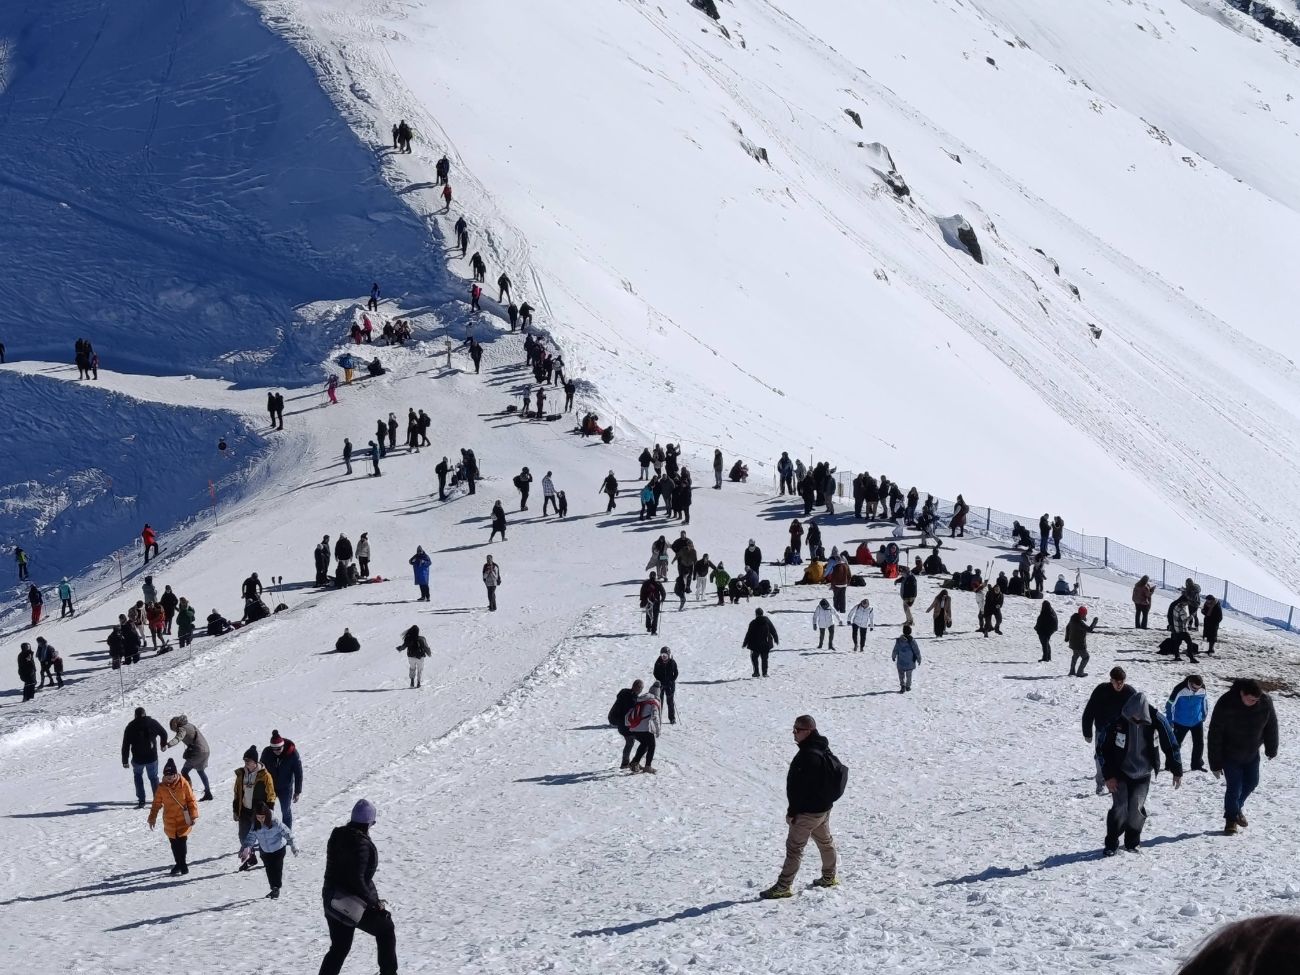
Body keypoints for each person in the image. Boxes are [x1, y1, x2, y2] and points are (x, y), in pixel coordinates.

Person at [759, 715, 841, 899]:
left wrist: (793, 812)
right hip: (823, 809)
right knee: (826, 843)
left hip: (808, 813)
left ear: (809, 731)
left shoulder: (809, 755)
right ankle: (829, 877)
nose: (794, 734)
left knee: (795, 849)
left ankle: (783, 886)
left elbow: (800, 789)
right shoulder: (821, 747)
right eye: (793, 729)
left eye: (797, 730)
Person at [319, 799, 398, 975]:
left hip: (331, 899)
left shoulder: (337, 835)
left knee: (339, 948)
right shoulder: (361, 843)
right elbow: (356, 879)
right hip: (349, 903)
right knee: (386, 929)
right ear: (368, 823)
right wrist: (374, 903)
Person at [1099, 691, 1182, 855]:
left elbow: (1170, 742)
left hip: (1143, 772)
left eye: (1140, 718)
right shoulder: (1118, 719)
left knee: (1136, 809)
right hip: (1120, 771)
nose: (1136, 721)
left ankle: (1132, 842)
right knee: (1120, 808)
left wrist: (1176, 768)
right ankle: (1111, 843)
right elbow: (1103, 748)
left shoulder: (1156, 718)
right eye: (1133, 718)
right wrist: (1108, 776)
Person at [1208, 678, 1279, 835]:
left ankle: (1236, 808)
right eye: (1251, 699)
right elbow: (1215, 733)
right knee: (1234, 787)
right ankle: (1231, 820)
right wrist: (1215, 762)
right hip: (1230, 754)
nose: (1254, 702)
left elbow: (1271, 725)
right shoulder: (1226, 702)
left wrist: (1271, 748)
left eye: (1256, 699)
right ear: (1242, 694)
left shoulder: (1265, 702)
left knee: (1252, 782)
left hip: (1252, 753)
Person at [1081, 666, 1134, 794]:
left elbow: (1138, 710)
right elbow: (1089, 710)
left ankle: (1117, 781)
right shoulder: (1101, 690)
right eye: (1117, 682)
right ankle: (1101, 782)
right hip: (1102, 729)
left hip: (1121, 731)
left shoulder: (1130, 692)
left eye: (1122, 682)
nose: (1119, 685)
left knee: (1119, 756)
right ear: (1111, 680)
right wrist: (1087, 732)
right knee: (1101, 756)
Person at [148, 758, 200, 876]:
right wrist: (152, 818)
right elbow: (156, 803)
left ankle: (183, 864)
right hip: (169, 820)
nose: (169, 778)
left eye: (171, 775)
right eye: (167, 776)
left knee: (182, 842)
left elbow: (191, 800)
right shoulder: (162, 788)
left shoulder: (183, 783)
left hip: (183, 818)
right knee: (174, 844)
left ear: (176, 774)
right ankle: (179, 863)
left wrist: (193, 815)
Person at [233, 746, 277, 869]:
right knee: (243, 836)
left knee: (262, 837)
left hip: (258, 812)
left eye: (248, 761)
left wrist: (269, 810)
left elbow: (271, 793)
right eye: (245, 761)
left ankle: (269, 859)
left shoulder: (264, 775)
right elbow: (237, 793)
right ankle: (251, 858)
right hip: (245, 811)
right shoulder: (241, 774)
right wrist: (236, 810)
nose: (246, 763)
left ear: (255, 762)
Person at [241, 802, 297, 898]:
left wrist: (293, 845)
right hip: (265, 850)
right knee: (269, 869)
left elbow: (287, 832)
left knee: (277, 868)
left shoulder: (275, 822)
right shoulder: (255, 824)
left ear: (266, 815)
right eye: (258, 817)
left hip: (278, 848)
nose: (261, 820)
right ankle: (273, 888)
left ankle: (276, 888)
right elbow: (251, 837)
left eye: (262, 817)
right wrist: (247, 847)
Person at [122, 706, 168, 808]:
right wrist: (162, 744)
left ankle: (141, 800)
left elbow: (125, 745)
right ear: (145, 713)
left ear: (135, 715)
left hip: (138, 759)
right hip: (152, 757)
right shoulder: (152, 722)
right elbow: (164, 733)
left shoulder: (131, 726)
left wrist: (125, 760)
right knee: (153, 778)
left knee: (138, 777)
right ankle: (158, 800)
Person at [261, 731, 305, 828]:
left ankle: (287, 836)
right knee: (267, 811)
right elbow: (261, 770)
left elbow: (298, 773)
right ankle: (268, 835)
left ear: (283, 746)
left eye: (279, 748)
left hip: (285, 788)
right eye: (274, 749)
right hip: (270, 787)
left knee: (286, 811)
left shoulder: (292, 754)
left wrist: (297, 791)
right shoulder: (267, 752)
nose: (276, 751)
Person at [1166, 675, 1209, 772]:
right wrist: (1170, 720)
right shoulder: (1179, 689)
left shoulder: (1202, 688)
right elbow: (1170, 704)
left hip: (1197, 721)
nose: (1196, 690)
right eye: (1194, 688)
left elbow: (1204, 701)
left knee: (1199, 744)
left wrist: (1204, 715)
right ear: (1189, 682)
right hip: (1180, 722)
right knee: (1175, 745)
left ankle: (1196, 764)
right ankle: (1170, 764)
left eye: (1198, 688)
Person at [167, 715, 214, 801]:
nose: (175, 731)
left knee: (184, 772)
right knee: (200, 771)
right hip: (205, 750)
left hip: (197, 752)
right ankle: (208, 793)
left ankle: (189, 794)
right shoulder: (190, 725)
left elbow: (178, 738)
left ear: (175, 724)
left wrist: (168, 745)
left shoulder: (182, 729)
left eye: (173, 728)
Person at [624, 683, 662, 773]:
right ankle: (648, 766)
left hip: (634, 727)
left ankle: (634, 762)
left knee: (644, 744)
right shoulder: (654, 701)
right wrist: (658, 730)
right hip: (645, 728)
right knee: (652, 745)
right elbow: (655, 716)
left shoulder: (641, 699)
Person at [610, 680, 643, 769]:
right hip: (625, 725)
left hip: (620, 724)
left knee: (630, 742)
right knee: (645, 742)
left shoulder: (624, 693)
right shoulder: (631, 698)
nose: (641, 690)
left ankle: (625, 763)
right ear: (637, 687)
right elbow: (632, 713)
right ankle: (634, 762)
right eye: (641, 688)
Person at [743, 607, 779, 677]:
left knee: (754, 658)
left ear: (756, 614)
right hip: (766, 643)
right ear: (762, 613)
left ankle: (756, 672)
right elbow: (773, 630)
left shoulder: (753, 623)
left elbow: (749, 634)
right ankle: (765, 673)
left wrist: (745, 643)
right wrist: (776, 639)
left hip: (755, 644)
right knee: (764, 659)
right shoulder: (767, 621)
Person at [1064, 606, 1097, 677]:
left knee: (1075, 656)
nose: (1085, 615)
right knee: (1086, 657)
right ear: (1082, 614)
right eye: (1085, 614)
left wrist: (1067, 638)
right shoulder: (1079, 622)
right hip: (1080, 645)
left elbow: (1067, 627)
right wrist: (1095, 621)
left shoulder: (1073, 619)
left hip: (1072, 643)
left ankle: (1072, 671)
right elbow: (1090, 629)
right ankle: (1080, 672)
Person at [891, 626, 921, 693]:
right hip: (910, 661)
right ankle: (908, 686)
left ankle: (902, 685)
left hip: (901, 661)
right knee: (909, 675)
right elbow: (916, 650)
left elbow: (895, 649)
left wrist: (893, 656)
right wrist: (919, 659)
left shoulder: (899, 640)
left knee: (901, 674)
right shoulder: (912, 641)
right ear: (910, 632)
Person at [653, 647, 678, 724]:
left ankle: (672, 718)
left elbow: (676, 673)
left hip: (670, 685)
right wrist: (659, 681)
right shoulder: (658, 662)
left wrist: (671, 681)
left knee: (670, 702)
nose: (663, 656)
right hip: (661, 685)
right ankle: (658, 717)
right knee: (659, 701)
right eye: (662, 655)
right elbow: (655, 673)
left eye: (665, 655)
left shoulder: (672, 662)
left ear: (668, 655)